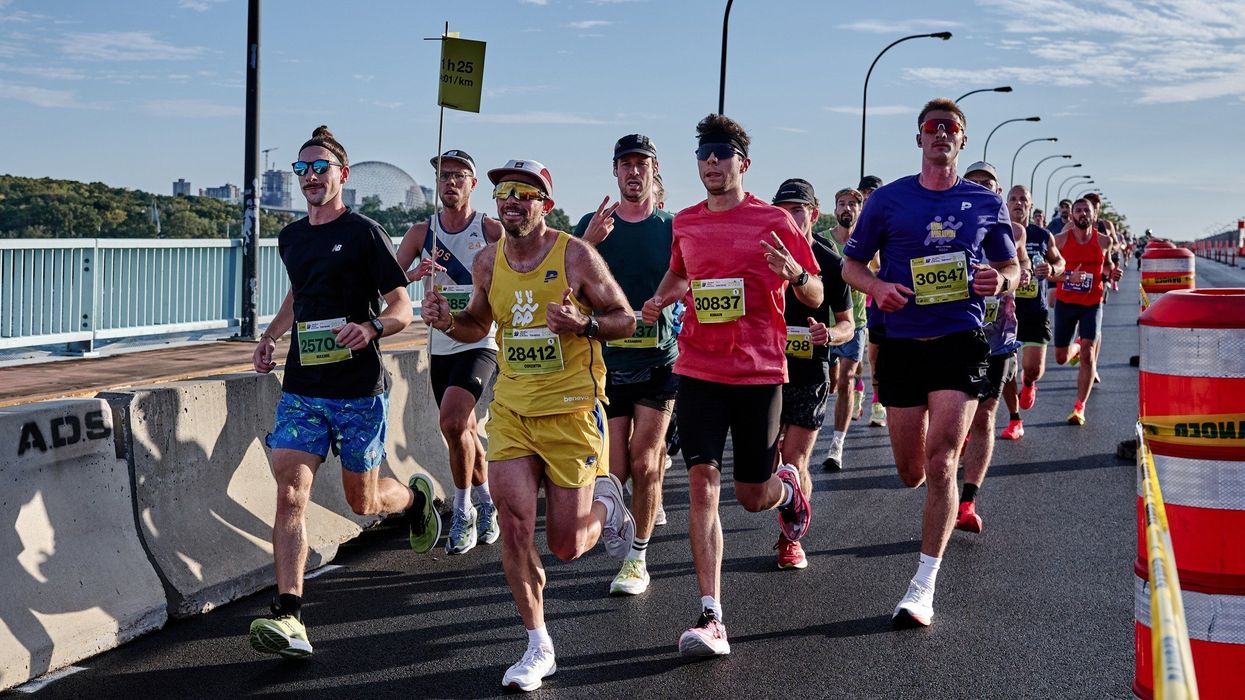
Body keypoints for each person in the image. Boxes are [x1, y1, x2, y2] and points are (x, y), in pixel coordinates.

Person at [420, 158, 638, 692]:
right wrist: (449, 321)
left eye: (524, 192)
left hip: (571, 413)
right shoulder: (487, 261)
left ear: (545, 203)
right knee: (516, 527)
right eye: (504, 193)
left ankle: (608, 505)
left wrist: (583, 324)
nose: (512, 200)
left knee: (565, 545)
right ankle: (538, 643)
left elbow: (626, 319)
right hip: (515, 412)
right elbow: (479, 322)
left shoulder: (576, 256)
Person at [641, 114, 821, 656]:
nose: (712, 163)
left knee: (750, 496)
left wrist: (794, 274)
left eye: (722, 153)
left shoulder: (773, 221)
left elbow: (813, 294)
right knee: (701, 483)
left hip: (760, 372)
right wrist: (661, 297)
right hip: (698, 369)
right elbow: (679, 274)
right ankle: (710, 614)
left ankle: (786, 488)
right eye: (704, 154)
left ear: (743, 162)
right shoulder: (687, 222)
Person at [249, 126, 426, 658]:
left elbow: (402, 305)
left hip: (356, 390)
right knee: (289, 492)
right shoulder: (292, 237)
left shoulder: (366, 232)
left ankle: (416, 502)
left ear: (342, 175)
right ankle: (289, 616)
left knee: (363, 500)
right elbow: (300, 295)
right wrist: (271, 335)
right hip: (303, 388)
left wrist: (372, 328)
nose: (310, 177)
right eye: (301, 169)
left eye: (320, 167)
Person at [841, 99, 1019, 628]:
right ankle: (924, 488)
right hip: (899, 340)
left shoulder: (985, 202)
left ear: (962, 141)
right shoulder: (890, 200)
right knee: (911, 470)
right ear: (919, 138)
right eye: (932, 128)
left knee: (943, 461)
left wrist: (1001, 280)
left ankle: (923, 586)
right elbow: (851, 264)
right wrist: (877, 286)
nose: (941, 135)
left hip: (959, 339)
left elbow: (1012, 263)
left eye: (952, 129)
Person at [573, 134, 677, 596]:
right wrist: (587, 243)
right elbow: (565, 290)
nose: (634, 172)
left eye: (642, 164)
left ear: (654, 170)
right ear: (614, 172)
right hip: (608, 364)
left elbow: (691, 283)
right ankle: (627, 516)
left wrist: (664, 302)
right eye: (625, 164)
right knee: (614, 468)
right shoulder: (592, 225)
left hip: (660, 360)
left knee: (645, 458)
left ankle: (637, 557)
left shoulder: (671, 227)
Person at [395, 149, 502, 555]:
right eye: (443, 176)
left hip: (479, 341)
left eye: (459, 175)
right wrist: (412, 275)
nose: (450, 182)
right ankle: (489, 501)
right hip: (440, 346)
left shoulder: (489, 229)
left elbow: (516, 271)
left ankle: (464, 511)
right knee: (465, 432)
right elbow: (387, 281)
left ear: (473, 184)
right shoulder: (422, 234)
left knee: (453, 421)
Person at [771, 178, 853, 568]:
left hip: (810, 369)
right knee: (768, 463)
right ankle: (790, 506)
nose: (790, 216)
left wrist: (829, 335)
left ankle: (791, 539)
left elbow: (848, 325)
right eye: (782, 209)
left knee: (795, 459)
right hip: (766, 370)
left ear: (813, 214)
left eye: (797, 209)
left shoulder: (831, 263)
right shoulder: (761, 256)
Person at [957, 162, 1028, 533]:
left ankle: (967, 500)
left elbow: (1021, 269)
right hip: (954, 334)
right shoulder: (949, 223)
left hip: (998, 336)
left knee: (986, 412)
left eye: (989, 184)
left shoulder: (1011, 229)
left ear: (997, 192)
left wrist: (1008, 277)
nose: (983, 188)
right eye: (975, 183)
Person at [1051, 197, 1120, 425]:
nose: (1082, 214)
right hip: (1066, 303)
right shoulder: (1060, 241)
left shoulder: (1104, 241)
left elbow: (1108, 265)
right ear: (1071, 216)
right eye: (1078, 211)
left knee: (1089, 355)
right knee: (1061, 358)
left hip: (1092, 302)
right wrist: (1070, 277)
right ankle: (1078, 345)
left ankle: (1079, 407)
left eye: (1086, 211)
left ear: (1094, 216)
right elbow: (1049, 274)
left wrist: (1112, 273)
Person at [1004, 185, 1065, 432]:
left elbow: (1060, 261)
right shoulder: (998, 232)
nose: (1018, 203)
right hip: (1006, 311)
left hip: (1035, 310)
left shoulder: (1042, 235)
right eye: (1013, 199)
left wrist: (1051, 270)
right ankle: (1014, 418)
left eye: (1023, 200)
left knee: (1031, 369)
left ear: (1030, 205)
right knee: (1007, 369)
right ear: (1006, 204)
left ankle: (1029, 382)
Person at [820, 187, 869, 472]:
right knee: (831, 381)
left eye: (852, 204)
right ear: (835, 209)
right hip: (824, 323)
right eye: (842, 204)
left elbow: (879, 271)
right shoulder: (823, 241)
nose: (847, 209)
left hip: (855, 322)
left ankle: (836, 444)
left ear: (859, 211)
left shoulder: (868, 243)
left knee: (848, 379)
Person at [859, 174, 889, 429]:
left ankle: (877, 403)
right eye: (864, 193)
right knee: (852, 359)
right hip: (852, 300)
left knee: (873, 356)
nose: (868, 197)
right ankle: (857, 389)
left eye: (873, 192)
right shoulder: (851, 222)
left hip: (875, 300)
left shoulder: (885, 221)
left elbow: (879, 265)